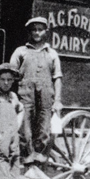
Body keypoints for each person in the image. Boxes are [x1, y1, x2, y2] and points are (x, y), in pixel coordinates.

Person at [9, 16, 63, 166]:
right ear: (30, 32)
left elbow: (57, 78)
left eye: (40, 30)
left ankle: (39, 157)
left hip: (46, 95)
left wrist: (57, 100)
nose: (37, 33)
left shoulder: (52, 54)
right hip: (25, 95)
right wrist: (11, 96)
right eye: (34, 30)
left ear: (45, 32)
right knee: (24, 127)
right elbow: (10, 75)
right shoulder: (21, 52)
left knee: (44, 127)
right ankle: (26, 157)